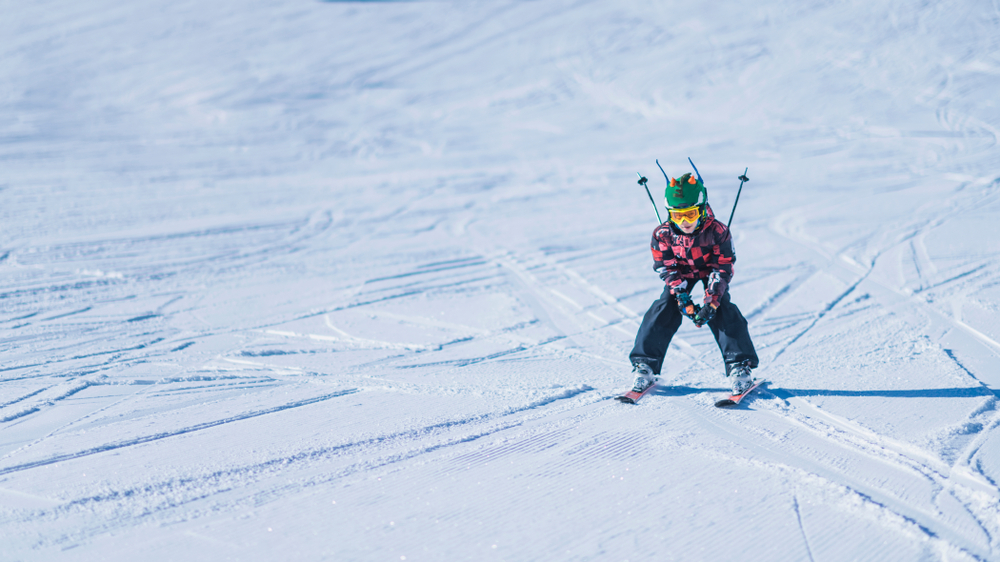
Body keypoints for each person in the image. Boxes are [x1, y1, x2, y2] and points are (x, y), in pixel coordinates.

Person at [628, 169, 759, 395]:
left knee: (724, 310)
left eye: (689, 214)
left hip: (710, 271)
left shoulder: (718, 231)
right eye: (677, 216)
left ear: (701, 209)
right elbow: (665, 266)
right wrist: (682, 297)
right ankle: (645, 364)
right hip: (681, 272)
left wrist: (712, 301)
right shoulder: (663, 234)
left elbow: (723, 266)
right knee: (663, 307)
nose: (684, 221)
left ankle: (740, 365)